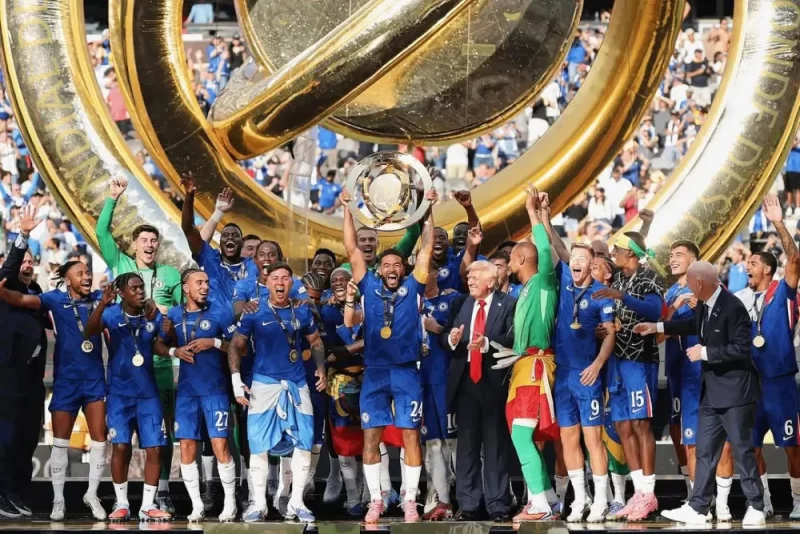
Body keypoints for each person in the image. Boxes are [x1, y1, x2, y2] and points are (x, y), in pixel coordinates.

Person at [634, 261, 766, 526]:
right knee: (705, 451)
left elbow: (742, 349)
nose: (689, 289)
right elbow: (691, 325)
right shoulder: (706, 305)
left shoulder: (733, 307)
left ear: (700, 284)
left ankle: (756, 507)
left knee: (743, 450)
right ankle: (698, 508)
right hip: (711, 394)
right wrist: (657, 327)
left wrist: (704, 352)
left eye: (691, 284)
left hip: (735, 394)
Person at [339, 187, 436, 524]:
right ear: (379, 270)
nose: (392, 268)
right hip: (376, 371)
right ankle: (376, 500)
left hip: (407, 371)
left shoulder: (414, 285)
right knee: (371, 435)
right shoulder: (368, 285)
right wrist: (348, 208)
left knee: (411, 435)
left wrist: (428, 208)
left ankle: (410, 501)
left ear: (404, 269)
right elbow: (352, 249)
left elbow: (426, 249)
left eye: (397, 264)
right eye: (386, 265)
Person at [96, 176, 182, 513]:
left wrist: (164, 312)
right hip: (127, 367)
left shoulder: (170, 274)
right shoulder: (122, 265)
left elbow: (182, 309)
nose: (149, 245)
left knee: (160, 436)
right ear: (133, 245)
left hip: (160, 366)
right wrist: (112, 199)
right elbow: (102, 233)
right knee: (123, 441)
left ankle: (162, 492)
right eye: (143, 240)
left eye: (153, 241)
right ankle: (124, 501)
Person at [0, 260, 107, 521]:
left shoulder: (100, 298)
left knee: (100, 440)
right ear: (67, 280)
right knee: (60, 443)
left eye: (88, 272)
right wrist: (2, 292)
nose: (86, 276)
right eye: (79, 273)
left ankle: (92, 494)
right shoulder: (54, 299)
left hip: (94, 379)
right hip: (66, 381)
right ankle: (58, 501)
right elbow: (22, 300)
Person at [228, 262, 327, 523]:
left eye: (285, 277)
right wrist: (236, 380)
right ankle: (258, 504)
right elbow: (235, 345)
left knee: (304, 441)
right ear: (267, 282)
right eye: (275, 278)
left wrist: (321, 368)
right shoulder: (254, 310)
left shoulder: (301, 310)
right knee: (258, 444)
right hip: (263, 384)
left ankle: (297, 502)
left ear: (291, 283)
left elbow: (315, 341)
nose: (280, 282)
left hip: (297, 383)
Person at [592, 231, 665, 521]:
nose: (613, 253)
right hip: (617, 362)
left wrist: (621, 296)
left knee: (641, 424)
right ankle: (638, 492)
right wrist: (604, 329)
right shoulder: (619, 280)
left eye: (617, 249)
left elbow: (654, 311)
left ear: (632, 253)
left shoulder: (649, 278)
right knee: (623, 426)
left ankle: (649, 493)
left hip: (639, 360)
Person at [86, 274, 171, 522]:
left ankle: (147, 505)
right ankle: (122, 503)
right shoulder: (111, 314)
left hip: (148, 394)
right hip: (119, 394)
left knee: (155, 448)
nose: (140, 291)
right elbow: (89, 330)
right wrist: (103, 303)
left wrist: (169, 333)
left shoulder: (152, 315)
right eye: (134, 288)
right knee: (121, 447)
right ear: (122, 293)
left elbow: (162, 344)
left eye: (142, 287)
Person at [155, 269, 238, 522]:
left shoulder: (220, 311)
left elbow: (240, 347)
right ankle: (197, 506)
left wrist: (214, 343)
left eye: (207, 283)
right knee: (186, 446)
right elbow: (158, 345)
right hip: (187, 393)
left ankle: (231, 504)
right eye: (199, 283)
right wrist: (174, 352)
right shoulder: (174, 314)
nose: (205, 287)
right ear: (185, 287)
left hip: (215, 390)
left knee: (220, 445)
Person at [662, 240, 735, 520]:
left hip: (710, 374)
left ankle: (722, 505)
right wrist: (673, 308)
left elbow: (729, 323)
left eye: (679, 255)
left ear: (693, 260)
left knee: (721, 442)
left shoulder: (712, 288)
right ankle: (697, 502)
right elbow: (660, 334)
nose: (673, 259)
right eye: (671, 255)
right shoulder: (670, 293)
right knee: (688, 440)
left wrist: (701, 307)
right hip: (680, 376)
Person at [739, 194, 800, 519]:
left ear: (767, 268)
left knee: (792, 446)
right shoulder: (741, 299)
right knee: (750, 447)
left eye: (752, 263)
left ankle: (798, 500)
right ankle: (761, 503)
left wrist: (778, 223)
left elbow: (795, 259)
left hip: (780, 383)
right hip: (752, 384)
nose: (746, 266)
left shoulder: (783, 292)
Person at [443, 252, 516, 521]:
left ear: (491, 281)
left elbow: (513, 337)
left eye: (475, 277)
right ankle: (469, 505)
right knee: (467, 448)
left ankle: (498, 505)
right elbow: (446, 336)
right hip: (466, 384)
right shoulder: (461, 303)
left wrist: (486, 344)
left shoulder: (508, 304)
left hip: (495, 383)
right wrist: (452, 339)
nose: (470, 280)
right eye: (469, 277)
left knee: (496, 447)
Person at [502, 185, 559, 523]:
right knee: (528, 436)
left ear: (523, 259)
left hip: (536, 367)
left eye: (511, 256)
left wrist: (532, 214)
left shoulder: (543, 282)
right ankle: (548, 498)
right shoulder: (523, 290)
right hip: (523, 367)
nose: (508, 261)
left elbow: (546, 253)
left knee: (522, 436)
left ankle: (539, 504)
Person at [549, 240, 616, 522]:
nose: (575, 261)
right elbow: (553, 246)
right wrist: (543, 220)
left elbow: (610, 333)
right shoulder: (565, 282)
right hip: (563, 375)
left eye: (582, 258)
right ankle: (580, 499)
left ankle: (601, 500)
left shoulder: (601, 295)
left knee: (592, 439)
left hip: (587, 376)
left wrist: (597, 365)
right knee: (568, 440)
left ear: (592, 265)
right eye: (573, 257)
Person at [0, 206, 49, 519]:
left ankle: (18, 493)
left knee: (28, 438)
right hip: (7, 376)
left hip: (33, 380)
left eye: (31, 261)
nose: (27, 265)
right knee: (5, 438)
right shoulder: (5, 287)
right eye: (23, 261)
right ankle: (3, 493)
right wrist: (23, 237)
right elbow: (8, 270)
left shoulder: (38, 292)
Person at [419, 250, 461, 520]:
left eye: (427, 270)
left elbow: (463, 336)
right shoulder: (408, 303)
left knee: (454, 441)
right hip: (419, 382)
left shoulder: (452, 300)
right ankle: (442, 500)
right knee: (432, 443)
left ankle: (466, 498)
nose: (423, 275)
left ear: (436, 272)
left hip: (444, 380)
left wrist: (437, 329)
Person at [322, 268, 365, 515]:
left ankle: (367, 492)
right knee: (343, 440)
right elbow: (330, 351)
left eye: (344, 279)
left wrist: (347, 350)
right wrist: (362, 345)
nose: (339, 282)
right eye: (334, 280)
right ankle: (352, 496)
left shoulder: (367, 307)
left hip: (368, 380)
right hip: (340, 383)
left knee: (369, 438)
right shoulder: (327, 312)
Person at [181, 178, 257, 304]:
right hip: (213, 316)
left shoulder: (252, 265)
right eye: (225, 235)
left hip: (246, 315)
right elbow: (188, 229)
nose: (230, 238)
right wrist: (189, 196)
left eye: (235, 235)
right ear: (220, 243)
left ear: (241, 243)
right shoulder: (211, 259)